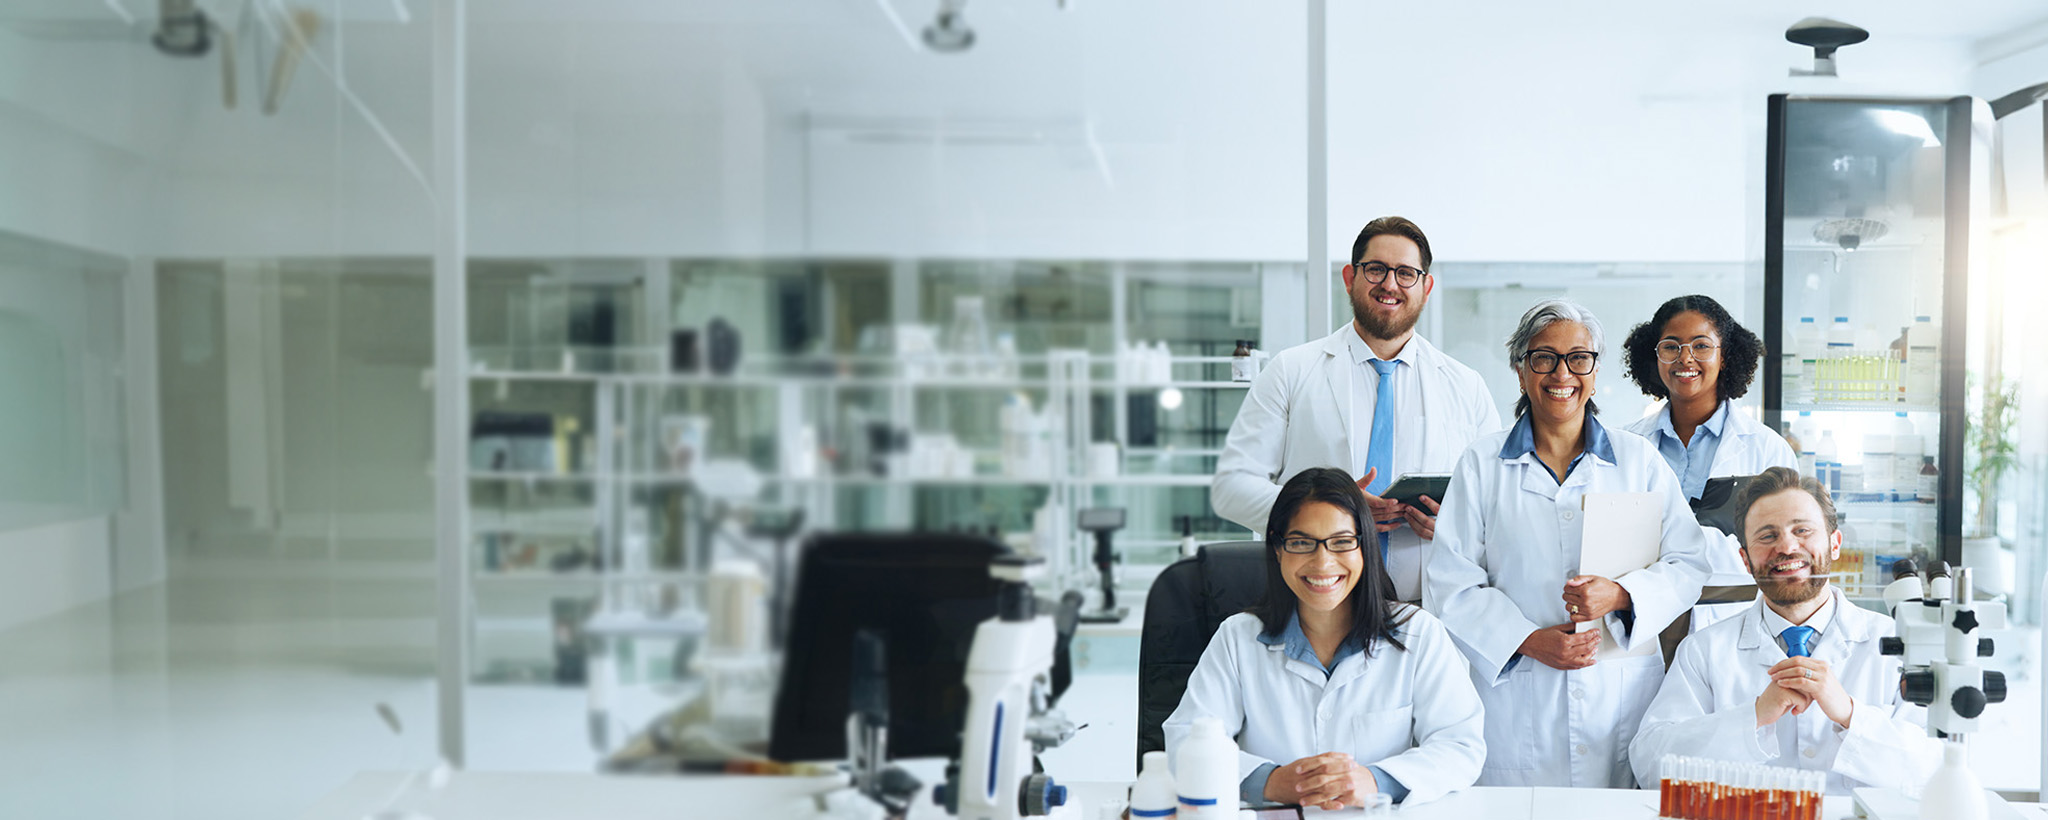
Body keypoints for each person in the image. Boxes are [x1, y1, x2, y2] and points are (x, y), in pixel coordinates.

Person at [1423, 298, 1710, 788]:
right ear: (1521, 371)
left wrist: (1622, 595)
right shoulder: (1482, 464)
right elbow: (1452, 583)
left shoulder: (1637, 459)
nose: (1562, 373)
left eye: (1579, 358)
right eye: (1544, 358)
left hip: (1617, 694)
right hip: (1518, 699)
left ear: (1594, 374)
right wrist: (1528, 640)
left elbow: (1689, 563)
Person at [1213, 216, 1500, 602]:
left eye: (1406, 273)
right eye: (1376, 269)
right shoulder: (1291, 371)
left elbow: (1497, 509)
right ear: (1350, 278)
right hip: (1315, 604)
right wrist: (1329, 510)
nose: (1390, 285)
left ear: (1426, 287)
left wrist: (1457, 527)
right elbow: (1231, 487)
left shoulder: (1466, 386)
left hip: (1429, 610)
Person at [1166, 467, 1486, 809]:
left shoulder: (1419, 633)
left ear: (1364, 546)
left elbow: (1460, 746)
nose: (1322, 563)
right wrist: (1271, 782)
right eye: (1301, 542)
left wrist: (1375, 781)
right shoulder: (1237, 638)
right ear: (1277, 547)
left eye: (1341, 542)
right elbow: (1185, 743)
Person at [1629, 466, 1940, 793]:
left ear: (1835, 544)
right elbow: (1651, 767)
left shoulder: (1898, 645)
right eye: (1767, 536)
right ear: (1745, 560)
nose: (1787, 547)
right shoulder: (1704, 651)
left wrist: (1849, 714)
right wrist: (1754, 717)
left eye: (1802, 530)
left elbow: (1935, 770)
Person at [1621, 295, 1797, 588]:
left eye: (1701, 346)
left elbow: (1785, 547)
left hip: (1732, 609)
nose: (1685, 358)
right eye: (1671, 346)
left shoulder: (1767, 449)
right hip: (1643, 606)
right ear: (1655, 357)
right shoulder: (1626, 444)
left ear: (1724, 355)